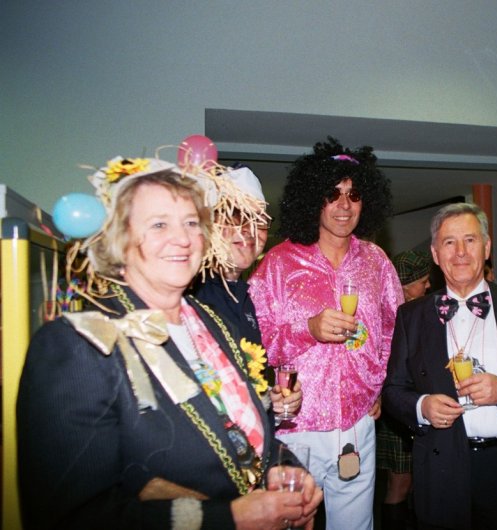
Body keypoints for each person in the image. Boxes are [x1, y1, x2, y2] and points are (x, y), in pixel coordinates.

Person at [17, 156, 322, 529]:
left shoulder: (213, 322)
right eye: (159, 224)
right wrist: (231, 519)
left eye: (191, 223)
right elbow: (70, 515)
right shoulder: (79, 346)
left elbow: (243, 430)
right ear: (118, 238)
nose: (182, 238)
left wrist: (284, 468)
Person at [249, 137, 403, 530]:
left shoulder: (377, 262)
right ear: (314, 199)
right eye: (333, 194)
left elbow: (394, 334)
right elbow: (255, 345)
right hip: (296, 428)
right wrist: (309, 329)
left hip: (357, 426)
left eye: (354, 195)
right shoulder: (278, 263)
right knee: (287, 524)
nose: (344, 205)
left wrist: (380, 387)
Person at [383, 203, 497, 530]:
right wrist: (421, 406)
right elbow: (392, 390)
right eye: (449, 242)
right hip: (440, 465)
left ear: (486, 248)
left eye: (470, 240)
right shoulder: (411, 316)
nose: (460, 252)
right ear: (435, 254)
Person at [192, 165, 302, 418]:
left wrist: (271, 403)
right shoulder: (191, 296)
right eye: (235, 216)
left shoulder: (245, 298)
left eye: (258, 219)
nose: (249, 229)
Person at [377, 249, 432, 530]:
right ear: (405, 285)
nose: (428, 285)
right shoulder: (395, 315)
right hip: (398, 407)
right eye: (422, 281)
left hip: (408, 406)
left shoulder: (413, 312)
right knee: (400, 481)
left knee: (405, 480)